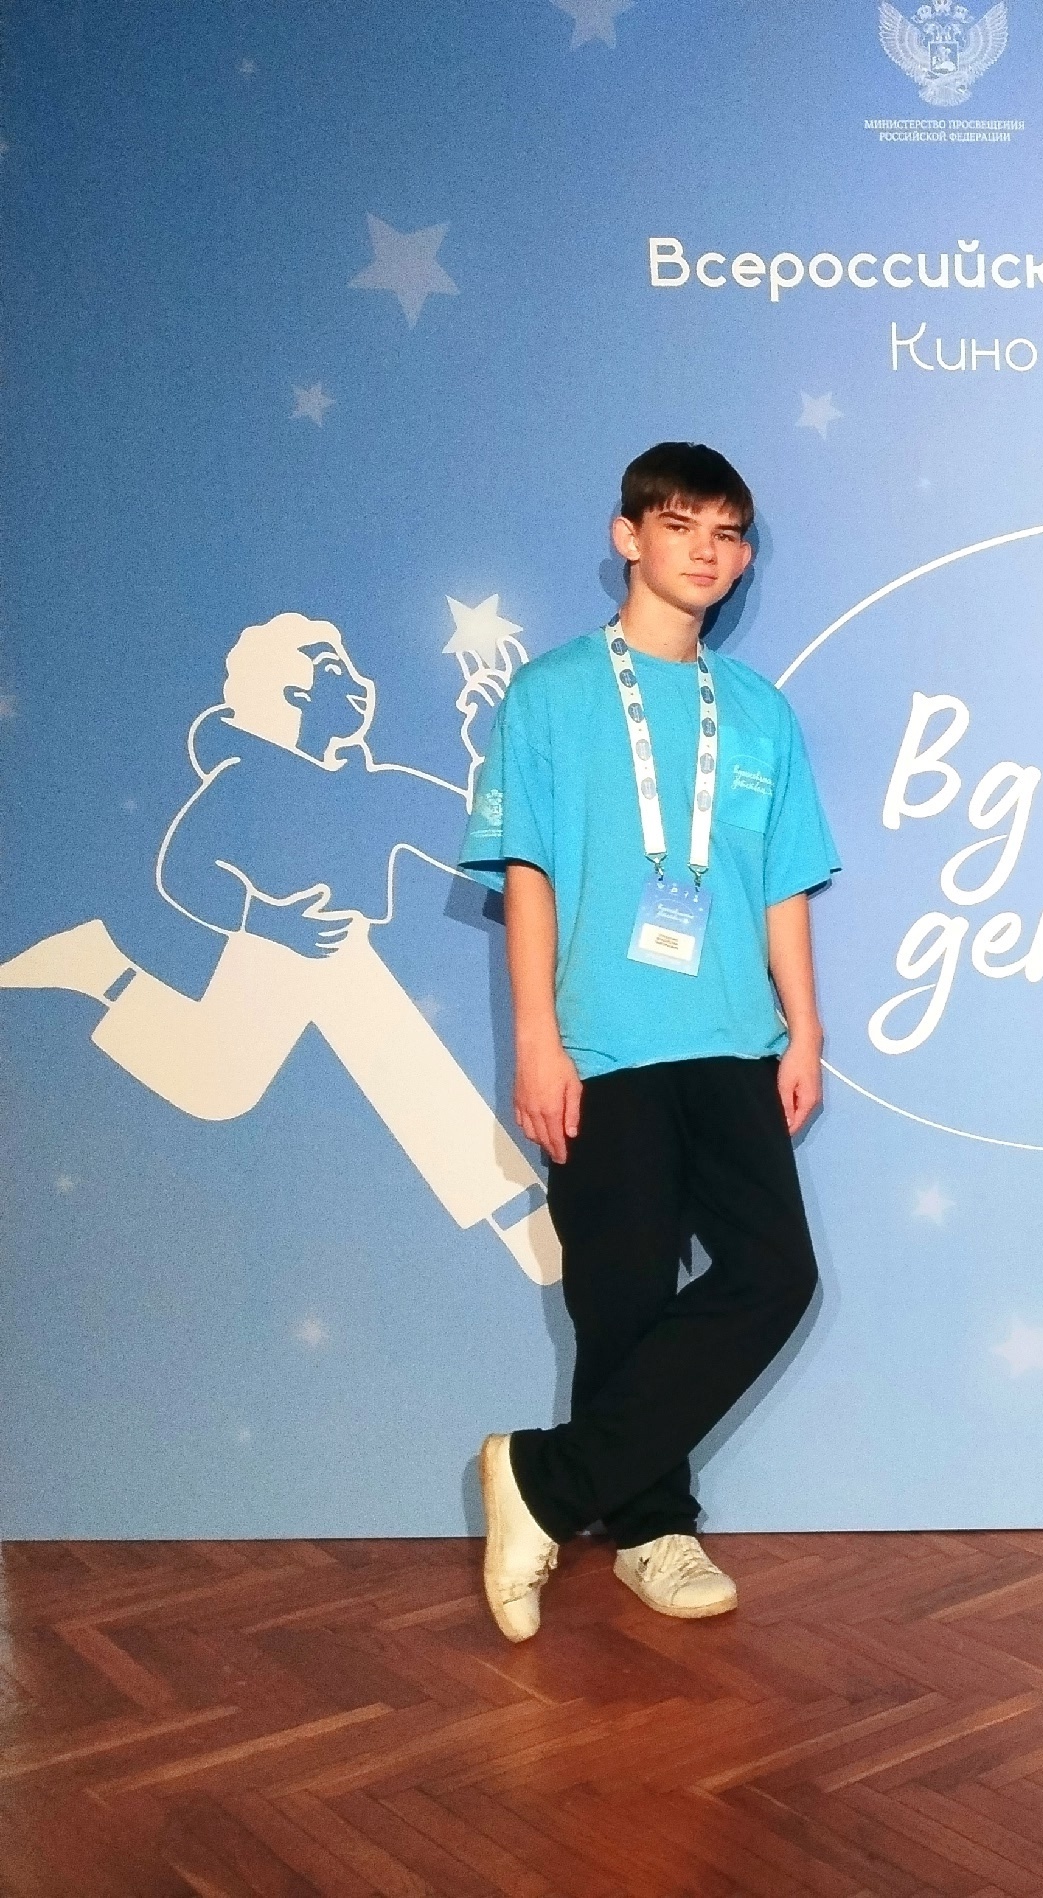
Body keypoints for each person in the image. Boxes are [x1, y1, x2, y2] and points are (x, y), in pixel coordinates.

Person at [458, 443, 839, 1643]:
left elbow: (783, 883)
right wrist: (536, 1038)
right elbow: (528, 874)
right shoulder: (552, 693)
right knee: (619, 1300)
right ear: (629, 536)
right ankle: (651, 1526)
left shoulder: (760, 710)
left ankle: (543, 1478)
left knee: (774, 1272)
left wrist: (804, 1026)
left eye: (728, 534)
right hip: (603, 1044)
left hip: (732, 1038)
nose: (707, 552)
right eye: (681, 525)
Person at [0, 613, 558, 1281]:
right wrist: (266, 919)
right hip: (276, 953)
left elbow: (473, 837)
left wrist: (489, 746)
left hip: (335, 949)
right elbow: (185, 868)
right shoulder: (248, 777)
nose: (360, 683)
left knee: (354, 1065)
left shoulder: (370, 784)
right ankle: (103, 970)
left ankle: (523, 1218)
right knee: (223, 1083)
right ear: (293, 693)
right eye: (334, 670)